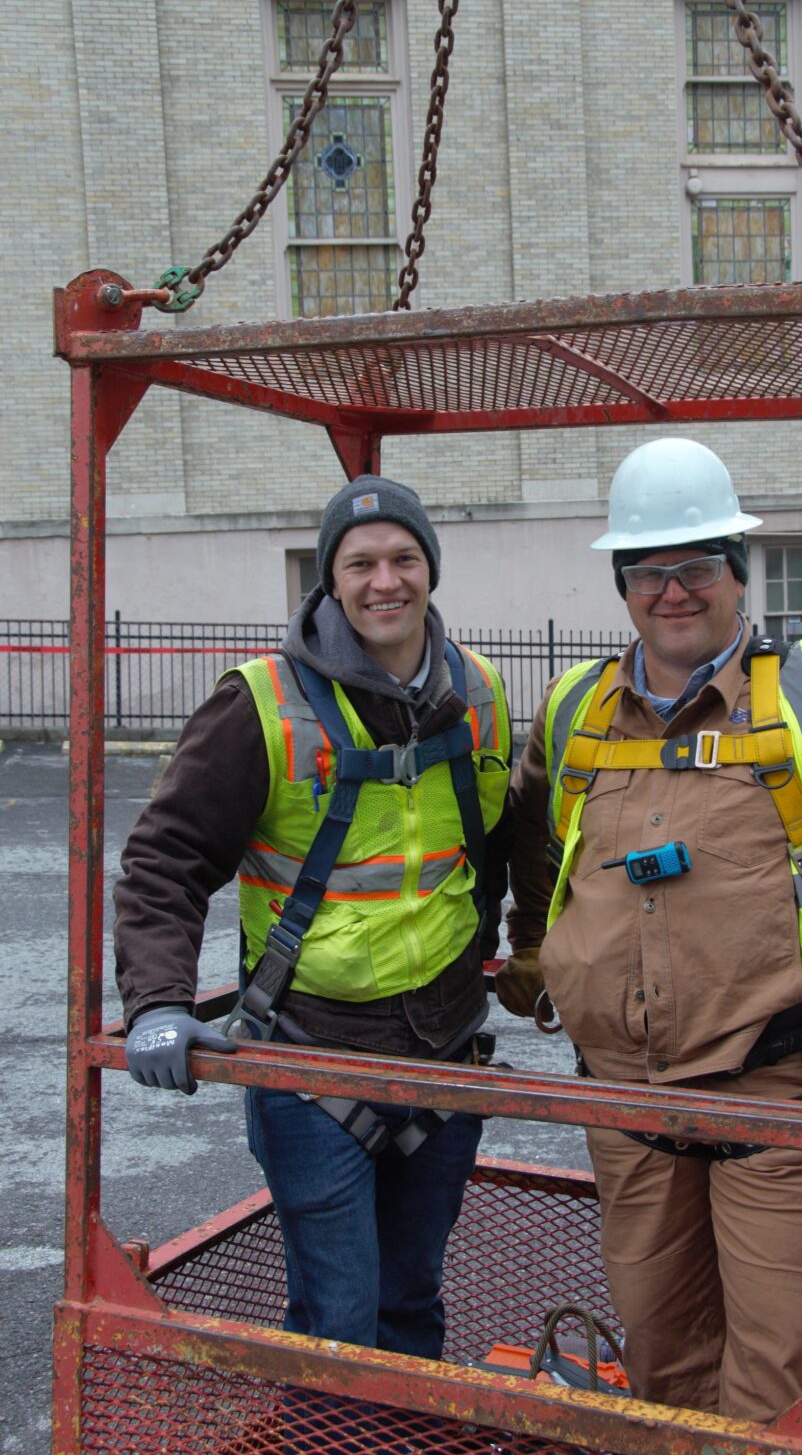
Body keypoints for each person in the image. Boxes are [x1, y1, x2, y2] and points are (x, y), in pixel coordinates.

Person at [496, 436, 802, 1421]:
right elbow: (537, 840)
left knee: (772, 1385)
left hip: (779, 1097)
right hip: (625, 1104)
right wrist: (540, 953)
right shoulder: (574, 706)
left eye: (696, 567)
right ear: (623, 582)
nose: (672, 591)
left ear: (735, 569)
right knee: (662, 1363)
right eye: (648, 572)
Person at [115, 474, 511, 1360]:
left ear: (430, 570)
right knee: (336, 1320)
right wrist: (158, 1004)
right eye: (360, 562)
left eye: (404, 558)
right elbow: (164, 861)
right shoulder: (261, 705)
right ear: (330, 580)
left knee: (411, 1304)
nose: (385, 581)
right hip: (308, 1060)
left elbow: (499, 842)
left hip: (445, 1055)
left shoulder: (475, 692)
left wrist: (533, 955)